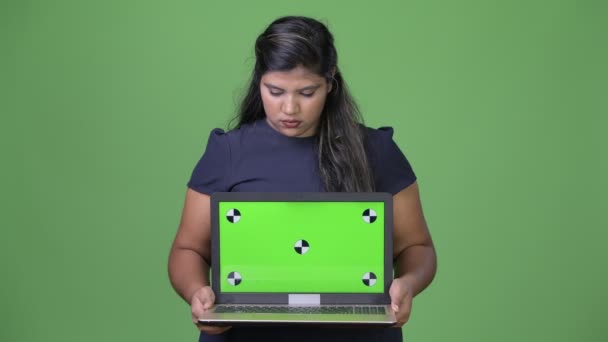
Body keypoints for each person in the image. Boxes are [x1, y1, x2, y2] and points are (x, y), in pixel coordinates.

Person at [168, 16, 437, 342]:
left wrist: (406, 283)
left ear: (330, 82)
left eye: (307, 92)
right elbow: (188, 249)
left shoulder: (377, 151)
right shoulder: (227, 151)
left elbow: (418, 246)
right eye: (275, 91)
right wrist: (197, 293)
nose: (290, 108)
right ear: (259, 83)